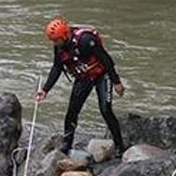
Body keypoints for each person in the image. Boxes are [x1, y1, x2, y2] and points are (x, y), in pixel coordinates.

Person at [35, 18, 125, 155]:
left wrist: (116, 81)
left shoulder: (85, 41)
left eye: (56, 40)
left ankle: (120, 145)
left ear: (64, 36)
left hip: (102, 75)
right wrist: (45, 90)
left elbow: (106, 59)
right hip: (84, 78)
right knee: (72, 111)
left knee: (105, 109)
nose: (54, 43)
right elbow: (57, 68)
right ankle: (67, 144)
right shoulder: (59, 47)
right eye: (53, 40)